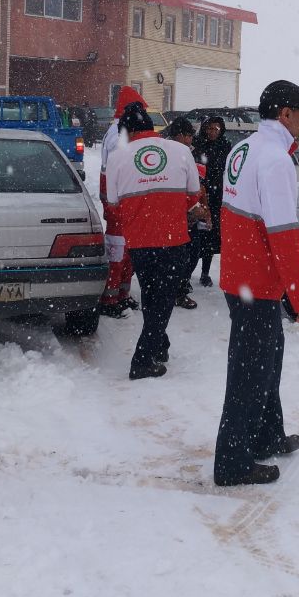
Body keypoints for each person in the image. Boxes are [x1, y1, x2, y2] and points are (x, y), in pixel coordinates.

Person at [213, 80, 299, 487]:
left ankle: (266, 435)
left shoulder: (244, 148)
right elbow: (284, 236)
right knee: (249, 373)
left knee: (266, 359)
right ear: (285, 114)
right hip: (255, 284)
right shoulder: (275, 160)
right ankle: (233, 463)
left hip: (241, 279)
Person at [105, 101, 206, 379]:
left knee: (152, 295)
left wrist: (140, 208)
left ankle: (160, 344)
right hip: (173, 240)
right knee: (161, 300)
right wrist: (169, 206)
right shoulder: (181, 151)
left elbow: (113, 204)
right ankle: (142, 360)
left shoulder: (117, 158)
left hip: (138, 243)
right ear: (151, 128)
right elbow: (194, 194)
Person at [98, 87, 147, 318]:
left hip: (121, 196)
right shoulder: (118, 135)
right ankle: (109, 299)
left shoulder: (121, 131)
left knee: (127, 250)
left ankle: (122, 294)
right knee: (118, 251)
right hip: (118, 198)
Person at [165, 115, 203, 310]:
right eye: (188, 135)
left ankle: (178, 288)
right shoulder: (174, 153)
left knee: (191, 253)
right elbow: (191, 185)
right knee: (181, 256)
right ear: (179, 135)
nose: (190, 139)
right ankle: (177, 291)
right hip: (177, 213)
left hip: (187, 213)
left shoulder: (187, 152)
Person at [192, 116, 231, 286]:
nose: (212, 132)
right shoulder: (198, 145)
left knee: (210, 235)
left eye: (216, 129)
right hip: (198, 192)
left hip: (218, 195)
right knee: (194, 235)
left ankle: (205, 273)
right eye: (209, 128)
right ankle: (186, 273)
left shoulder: (225, 146)